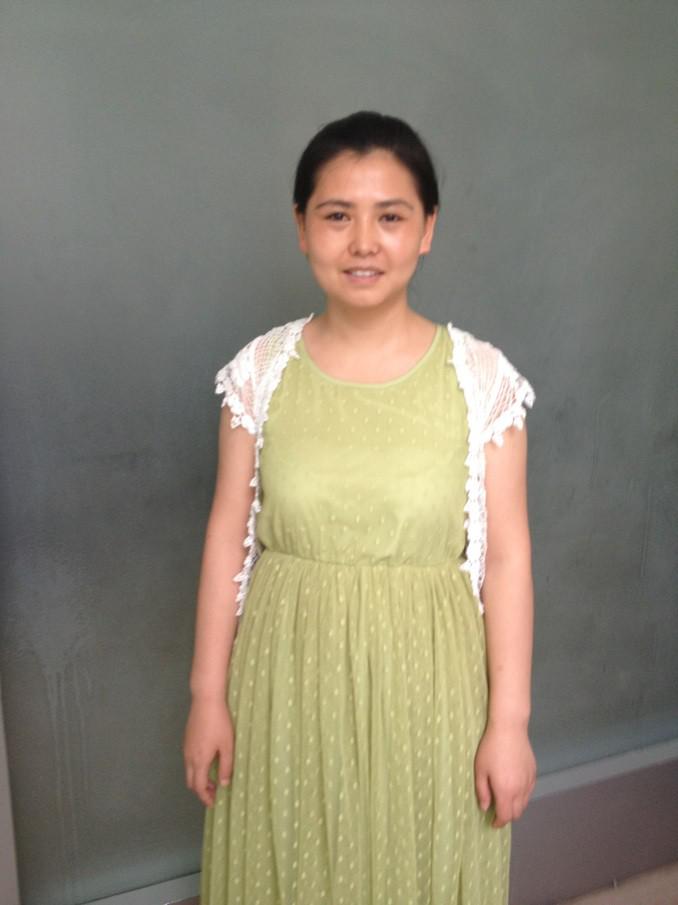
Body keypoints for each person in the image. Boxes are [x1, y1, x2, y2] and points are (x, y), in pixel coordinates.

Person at [184, 110, 537, 905]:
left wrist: (509, 723)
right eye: (338, 215)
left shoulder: (481, 380)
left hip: (431, 685)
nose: (364, 242)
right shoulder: (260, 372)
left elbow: (509, 558)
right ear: (302, 227)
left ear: (428, 229)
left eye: (391, 217)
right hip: (284, 679)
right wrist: (207, 697)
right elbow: (226, 538)